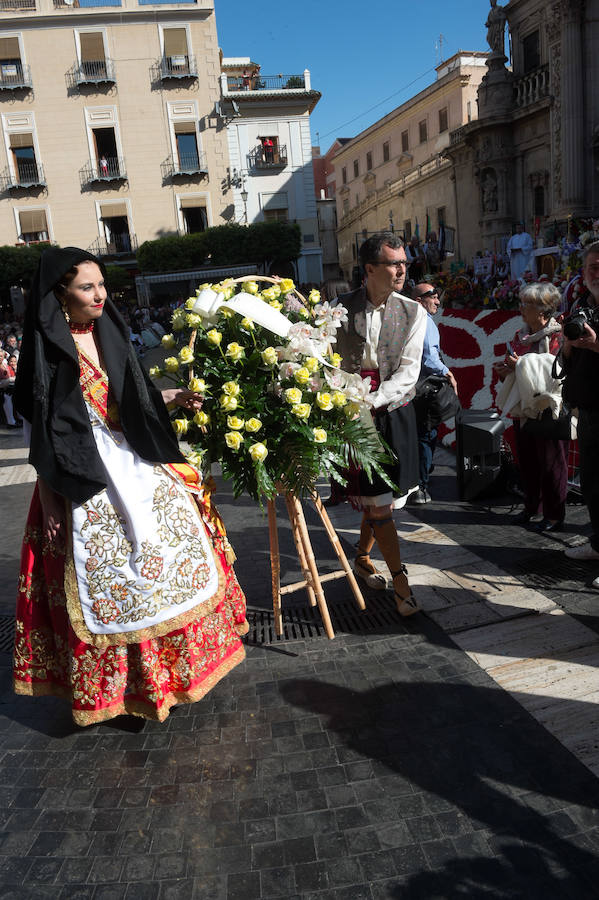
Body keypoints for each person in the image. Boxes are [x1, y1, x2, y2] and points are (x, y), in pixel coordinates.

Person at [12, 247, 248, 726]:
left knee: (171, 556)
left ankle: (172, 675)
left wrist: (170, 397)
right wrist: (54, 503)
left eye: (101, 285)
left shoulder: (111, 333)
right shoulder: (46, 352)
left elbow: (130, 400)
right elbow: (43, 434)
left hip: (136, 461)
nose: (100, 295)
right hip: (81, 475)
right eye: (87, 287)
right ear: (60, 294)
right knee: (111, 578)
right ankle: (128, 688)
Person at [336, 233, 427, 616]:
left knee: (379, 500)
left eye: (404, 262)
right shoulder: (339, 308)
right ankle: (400, 584)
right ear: (369, 269)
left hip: (391, 410)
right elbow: (325, 359)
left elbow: (409, 372)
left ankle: (360, 558)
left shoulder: (413, 311)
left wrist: (371, 400)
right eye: (393, 263)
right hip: (349, 408)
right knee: (378, 503)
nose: (402, 269)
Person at [495, 282, 568, 532]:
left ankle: (555, 514)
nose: (520, 308)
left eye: (525, 304)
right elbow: (519, 368)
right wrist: (506, 371)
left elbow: (555, 371)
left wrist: (520, 366)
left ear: (542, 310)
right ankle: (531, 507)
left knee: (552, 463)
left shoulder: (558, 336)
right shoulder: (521, 336)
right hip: (524, 408)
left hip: (547, 407)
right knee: (526, 461)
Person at [559, 241, 599, 585]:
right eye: (591, 268)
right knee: (593, 484)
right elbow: (566, 362)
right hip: (588, 408)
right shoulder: (582, 307)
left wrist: (596, 344)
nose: (596, 273)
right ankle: (598, 544)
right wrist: (569, 345)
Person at [411, 282, 458, 504]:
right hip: (425, 387)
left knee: (420, 435)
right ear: (419, 300)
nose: (438, 301)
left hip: (412, 387)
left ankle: (419, 478)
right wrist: (448, 373)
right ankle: (421, 485)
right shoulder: (425, 322)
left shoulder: (410, 320)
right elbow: (430, 357)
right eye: (433, 297)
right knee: (426, 435)